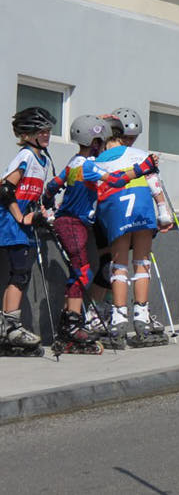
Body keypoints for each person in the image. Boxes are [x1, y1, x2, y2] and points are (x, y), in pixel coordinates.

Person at [42, 115, 157, 351]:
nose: (102, 145)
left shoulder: (73, 163)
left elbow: (53, 185)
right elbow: (115, 180)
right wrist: (142, 168)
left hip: (73, 222)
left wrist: (48, 204)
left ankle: (71, 321)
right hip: (74, 223)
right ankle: (72, 324)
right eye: (100, 141)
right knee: (82, 272)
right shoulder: (88, 166)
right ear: (94, 142)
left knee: (83, 270)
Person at [94, 129, 173, 348]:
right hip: (142, 206)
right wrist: (163, 211)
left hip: (117, 208)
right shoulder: (139, 154)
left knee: (119, 265)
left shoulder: (99, 161)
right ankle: (142, 320)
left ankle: (118, 321)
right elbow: (153, 181)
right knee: (142, 263)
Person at [0, 107, 56, 357]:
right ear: (27, 133)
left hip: (24, 226)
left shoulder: (42, 159)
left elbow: (31, 195)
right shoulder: (25, 156)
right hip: (11, 224)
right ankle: (11, 328)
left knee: (20, 274)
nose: (46, 135)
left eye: (48, 130)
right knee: (20, 274)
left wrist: (40, 212)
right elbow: (5, 189)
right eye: (41, 131)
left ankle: (8, 328)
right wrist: (21, 217)